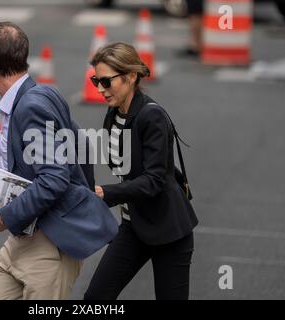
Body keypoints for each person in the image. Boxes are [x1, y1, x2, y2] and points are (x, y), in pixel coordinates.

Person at [0, 22, 118, 300]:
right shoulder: (41, 94)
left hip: (48, 245)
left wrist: (6, 215)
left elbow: (53, 178)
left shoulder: (31, 106)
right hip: (22, 240)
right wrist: (82, 196)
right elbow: (82, 145)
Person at [84, 42, 198, 300]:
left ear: (131, 76)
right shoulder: (113, 115)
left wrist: (105, 192)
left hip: (169, 231)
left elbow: (154, 180)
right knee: (95, 298)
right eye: (95, 81)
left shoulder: (151, 116)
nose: (101, 89)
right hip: (134, 226)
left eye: (106, 81)